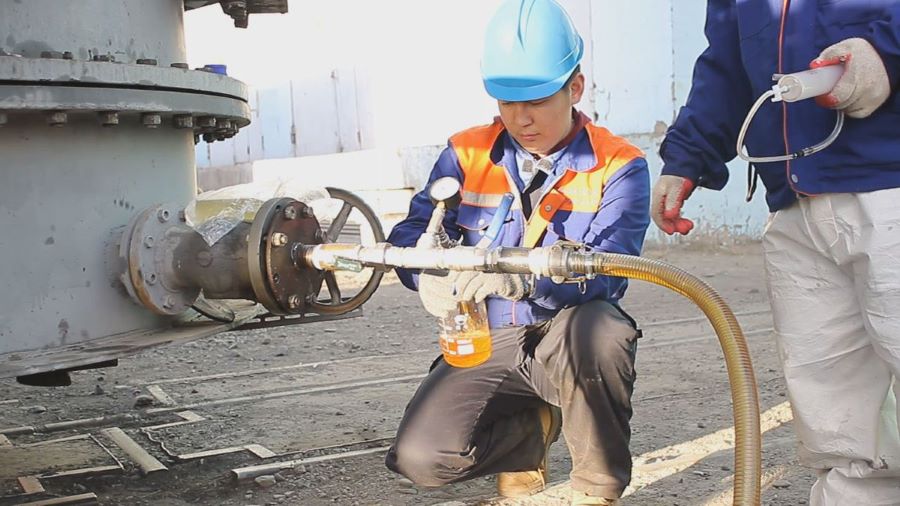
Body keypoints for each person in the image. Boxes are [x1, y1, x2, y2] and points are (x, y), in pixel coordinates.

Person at [382, 1, 650, 504]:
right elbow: (415, 230)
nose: (520, 119)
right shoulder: (466, 151)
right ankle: (531, 435)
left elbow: (612, 272)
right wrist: (424, 272)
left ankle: (597, 488)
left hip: (566, 335)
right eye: (507, 101)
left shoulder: (620, 165)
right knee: (421, 458)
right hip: (487, 336)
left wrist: (524, 282)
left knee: (601, 331)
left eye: (538, 100)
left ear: (575, 88)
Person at [653, 1, 900, 504]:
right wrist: (687, 156)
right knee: (838, 419)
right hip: (796, 205)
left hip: (889, 187)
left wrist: (888, 53)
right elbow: (725, 63)